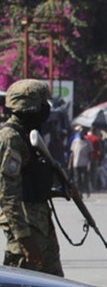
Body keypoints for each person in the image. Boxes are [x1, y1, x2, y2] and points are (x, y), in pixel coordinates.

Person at [0, 79, 66, 276]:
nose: (45, 110)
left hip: (41, 227)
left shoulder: (28, 135)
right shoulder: (11, 138)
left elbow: (29, 180)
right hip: (28, 232)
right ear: (28, 108)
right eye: (41, 104)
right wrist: (24, 238)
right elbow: (7, 194)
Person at [69, 126, 92, 197]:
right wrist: (70, 163)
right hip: (76, 163)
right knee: (77, 179)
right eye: (80, 133)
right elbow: (72, 154)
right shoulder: (75, 141)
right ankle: (79, 192)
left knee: (84, 178)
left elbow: (90, 153)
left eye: (83, 133)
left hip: (84, 163)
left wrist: (89, 163)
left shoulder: (87, 142)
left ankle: (87, 191)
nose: (81, 134)